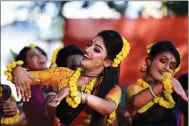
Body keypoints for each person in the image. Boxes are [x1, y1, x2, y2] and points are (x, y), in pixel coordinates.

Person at [9, 30, 130, 126]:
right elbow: (26, 77)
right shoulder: (63, 75)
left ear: (108, 62)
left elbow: (108, 107)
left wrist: (76, 94)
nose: (87, 50)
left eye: (96, 49)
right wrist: (17, 70)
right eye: (89, 45)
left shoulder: (112, 89)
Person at [126, 40, 188, 126]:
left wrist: (182, 95)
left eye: (171, 66)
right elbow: (135, 103)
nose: (167, 68)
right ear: (149, 61)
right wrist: (164, 83)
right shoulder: (135, 89)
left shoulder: (170, 96)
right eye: (163, 61)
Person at [13, 44, 56, 126]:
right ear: (25, 65)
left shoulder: (55, 77)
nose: (40, 56)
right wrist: (16, 69)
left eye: (42, 53)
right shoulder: (28, 86)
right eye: (33, 55)